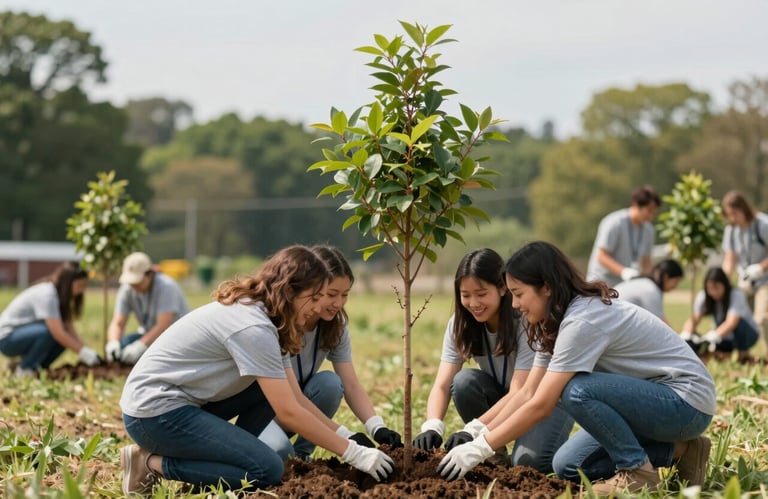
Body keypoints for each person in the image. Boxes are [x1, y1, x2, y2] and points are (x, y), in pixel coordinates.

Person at [437, 241, 715, 495]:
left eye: (519, 294)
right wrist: (477, 431)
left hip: (684, 402)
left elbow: (542, 404)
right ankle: (682, 450)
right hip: (648, 405)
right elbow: (528, 392)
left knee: (575, 390)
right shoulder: (552, 321)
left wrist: (481, 448)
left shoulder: (581, 320)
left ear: (546, 287)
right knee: (568, 466)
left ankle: (637, 472)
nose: (515, 304)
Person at [118, 245, 393, 495]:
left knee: (267, 396)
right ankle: (150, 462)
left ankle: (219, 467)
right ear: (290, 291)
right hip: (155, 413)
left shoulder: (274, 320)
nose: (322, 305)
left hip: (188, 402)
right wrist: (353, 453)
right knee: (268, 470)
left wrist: (347, 437)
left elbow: (294, 397)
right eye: (316, 296)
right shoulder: (255, 327)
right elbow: (288, 412)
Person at [412, 248, 573, 473]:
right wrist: (432, 425)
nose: (473, 303)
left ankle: (505, 444)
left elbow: (522, 392)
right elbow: (441, 384)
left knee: (529, 464)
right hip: (505, 400)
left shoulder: (525, 320)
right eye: (465, 295)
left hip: (542, 401)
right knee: (464, 382)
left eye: (481, 293)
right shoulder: (460, 325)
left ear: (502, 288)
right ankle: (495, 454)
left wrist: (473, 430)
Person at [258, 245, 402, 461]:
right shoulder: (280, 324)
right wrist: (345, 437)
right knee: (279, 453)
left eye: (345, 295)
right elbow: (292, 398)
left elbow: (351, 384)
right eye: (331, 294)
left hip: (298, 406)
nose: (339, 303)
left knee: (330, 384)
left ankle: (303, 455)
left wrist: (376, 426)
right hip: (270, 408)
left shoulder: (336, 325)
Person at [0, 261, 101, 376]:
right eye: (79, 286)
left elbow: (68, 328)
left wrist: (85, 348)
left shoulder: (59, 297)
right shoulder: (48, 294)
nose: (81, 290)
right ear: (68, 283)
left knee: (64, 340)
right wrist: (82, 352)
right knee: (49, 333)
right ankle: (26, 368)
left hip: (24, 334)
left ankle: (37, 367)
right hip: (7, 338)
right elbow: (57, 332)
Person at [106, 252, 190, 365]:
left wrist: (140, 345)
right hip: (151, 336)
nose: (133, 286)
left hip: (176, 339)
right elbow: (118, 323)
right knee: (124, 345)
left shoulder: (166, 287)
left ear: (149, 274)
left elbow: (162, 326)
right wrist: (113, 342)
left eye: (137, 282)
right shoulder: (127, 289)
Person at [720, 190, 768, 353]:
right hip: (745, 280)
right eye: (729, 215)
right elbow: (730, 258)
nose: (732, 218)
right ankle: (744, 355)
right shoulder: (731, 230)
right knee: (739, 317)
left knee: (762, 318)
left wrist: (761, 267)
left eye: (734, 213)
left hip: (765, 280)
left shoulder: (762, 225)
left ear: (743, 209)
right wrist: (724, 279)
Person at [681, 267, 760, 364]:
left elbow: (731, 323)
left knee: (738, 324)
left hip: (748, 333)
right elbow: (694, 319)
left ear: (725, 285)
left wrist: (712, 336)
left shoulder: (736, 295)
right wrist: (686, 335)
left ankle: (743, 355)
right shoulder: (703, 296)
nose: (713, 292)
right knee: (705, 347)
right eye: (710, 289)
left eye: (716, 288)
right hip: (725, 336)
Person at [586, 185, 661, 287]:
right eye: (649, 210)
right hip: (601, 282)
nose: (651, 215)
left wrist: (648, 282)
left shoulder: (648, 230)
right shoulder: (614, 223)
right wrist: (623, 271)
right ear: (636, 205)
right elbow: (602, 256)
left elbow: (646, 262)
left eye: (654, 212)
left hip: (624, 284)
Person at [614, 258, 684, 325]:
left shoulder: (645, 283)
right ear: (666, 277)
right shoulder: (651, 290)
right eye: (676, 281)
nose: (675, 286)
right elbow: (661, 324)